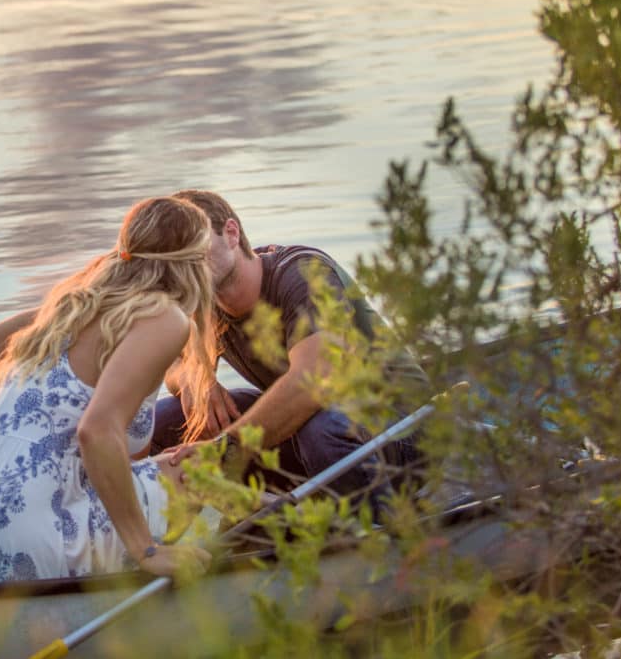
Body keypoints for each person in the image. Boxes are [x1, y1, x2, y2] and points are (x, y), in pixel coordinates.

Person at [0, 196, 218, 583]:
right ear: (192, 264)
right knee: (202, 468)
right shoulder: (166, 317)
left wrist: (13, 462)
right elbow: (96, 430)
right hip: (16, 540)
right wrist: (145, 549)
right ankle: (180, 565)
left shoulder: (75, 304)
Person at [155, 189, 427, 506]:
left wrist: (224, 449)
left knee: (324, 430)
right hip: (316, 433)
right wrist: (198, 382)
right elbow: (174, 368)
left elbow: (314, 382)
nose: (186, 262)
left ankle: (379, 529)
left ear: (231, 233)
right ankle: (153, 545)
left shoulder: (302, 274)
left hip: (407, 429)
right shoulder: (203, 297)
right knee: (168, 418)